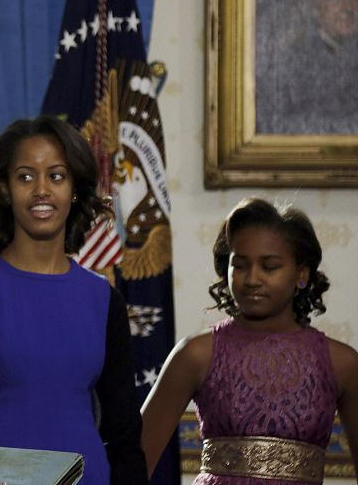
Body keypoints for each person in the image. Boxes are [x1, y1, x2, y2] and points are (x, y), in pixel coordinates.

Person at [0, 116, 148, 485]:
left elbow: (124, 432)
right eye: (26, 176)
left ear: (74, 189)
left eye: (56, 176)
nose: (41, 189)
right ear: (5, 188)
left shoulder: (103, 299)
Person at [140, 197, 358, 483]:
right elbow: (133, 462)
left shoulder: (341, 363)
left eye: (269, 267)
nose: (252, 278)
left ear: (301, 274)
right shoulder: (196, 355)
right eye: (240, 265)